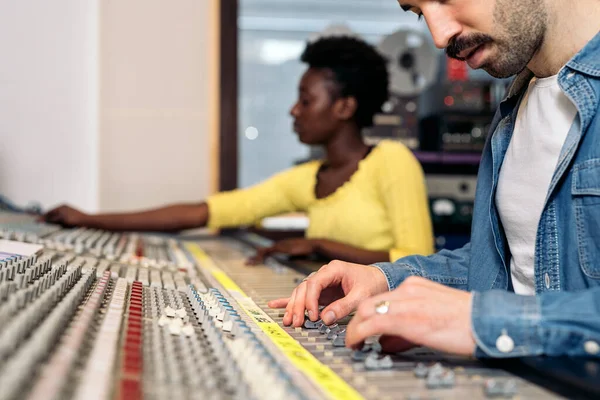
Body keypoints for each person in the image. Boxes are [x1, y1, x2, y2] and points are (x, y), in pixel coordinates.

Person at [269, 0, 600, 359]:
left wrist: (481, 321)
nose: (440, 37)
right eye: (418, 12)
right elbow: (512, 268)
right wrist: (386, 280)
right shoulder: (517, 103)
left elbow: (504, 310)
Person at [43, 36, 434, 266]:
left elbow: (418, 260)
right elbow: (207, 211)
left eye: (305, 100)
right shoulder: (307, 179)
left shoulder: (392, 161)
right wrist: (89, 219)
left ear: (344, 107)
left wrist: (320, 246)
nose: (293, 110)